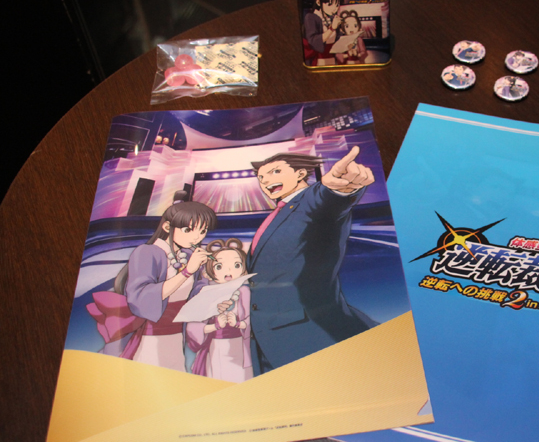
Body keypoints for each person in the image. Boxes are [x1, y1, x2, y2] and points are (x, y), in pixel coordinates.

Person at [245, 146, 376, 374]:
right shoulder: (279, 214)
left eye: (275, 172)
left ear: (300, 173)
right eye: (261, 177)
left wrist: (342, 187)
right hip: (267, 338)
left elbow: (325, 200)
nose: (266, 181)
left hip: (307, 333)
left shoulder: (309, 202)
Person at [86, 191, 216, 372]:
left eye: (202, 231)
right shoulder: (147, 252)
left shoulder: (187, 255)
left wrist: (208, 283)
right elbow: (142, 297)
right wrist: (187, 272)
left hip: (177, 332)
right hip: (151, 333)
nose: (197, 238)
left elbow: (193, 294)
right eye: (188, 230)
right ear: (167, 227)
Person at [187, 238, 253, 383]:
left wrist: (238, 324)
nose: (228, 272)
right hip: (215, 347)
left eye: (236, 265)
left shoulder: (245, 292)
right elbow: (192, 328)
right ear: (209, 271)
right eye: (219, 267)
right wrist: (215, 326)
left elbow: (253, 320)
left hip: (240, 347)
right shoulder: (206, 294)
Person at [303, 0, 343, 67]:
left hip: (333, 58)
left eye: (337, 5)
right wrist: (332, 28)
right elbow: (313, 41)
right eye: (329, 4)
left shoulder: (331, 18)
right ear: (318, 2)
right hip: (319, 59)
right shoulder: (311, 17)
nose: (334, 9)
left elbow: (336, 38)